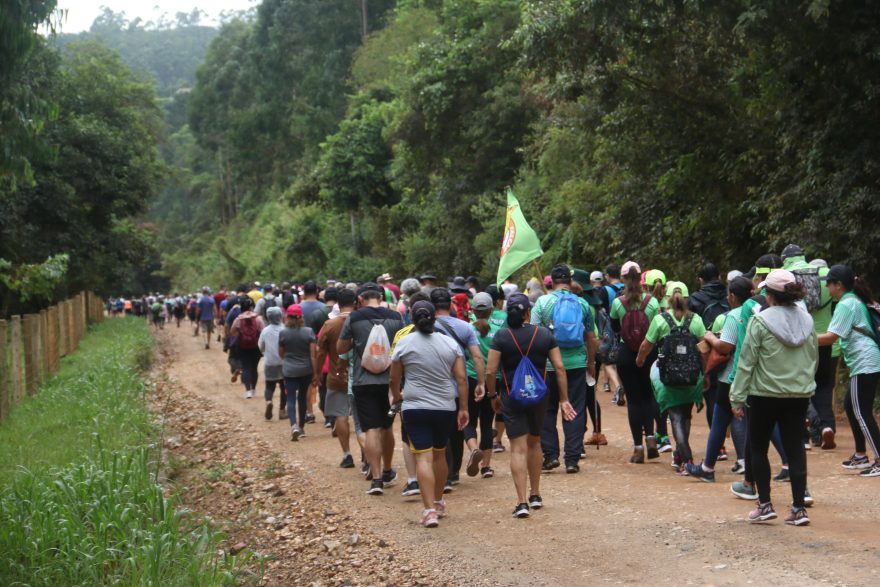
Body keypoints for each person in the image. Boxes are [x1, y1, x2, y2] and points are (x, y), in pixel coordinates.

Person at [729, 269, 817, 526]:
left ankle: (765, 504)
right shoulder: (807, 321)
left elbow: (747, 362)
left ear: (769, 295)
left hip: (764, 394)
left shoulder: (761, 321)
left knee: (758, 446)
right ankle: (799, 508)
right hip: (798, 394)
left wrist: (737, 397)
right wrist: (806, 385)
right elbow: (813, 357)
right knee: (795, 448)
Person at [486, 293, 573, 518]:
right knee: (535, 443)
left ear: (508, 313)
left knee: (518, 447)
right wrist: (564, 399)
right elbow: (559, 367)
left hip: (511, 396)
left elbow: (490, 370)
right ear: (528, 313)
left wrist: (493, 395)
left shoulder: (501, 337)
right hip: (539, 396)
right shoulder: (544, 334)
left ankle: (521, 502)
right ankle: (536, 495)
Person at [390, 301, 469, 527]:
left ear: (412, 319)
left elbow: (394, 378)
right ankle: (438, 501)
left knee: (423, 457)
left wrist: (396, 396)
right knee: (439, 454)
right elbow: (461, 379)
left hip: (414, 406)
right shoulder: (449, 343)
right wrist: (463, 408)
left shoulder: (404, 343)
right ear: (435, 318)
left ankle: (429, 512)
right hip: (445, 406)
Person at [337, 282, 404, 495]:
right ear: (381, 297)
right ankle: (387, 469)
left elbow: (341, 348)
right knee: (387, 428)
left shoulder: (354, 318)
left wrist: (358, 343)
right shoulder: (395, 317)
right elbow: (402, 346)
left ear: (360, 299)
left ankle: (376, 480)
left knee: (371, 429)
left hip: (363, 381)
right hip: (390, 381)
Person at [531, 264, 597, 474]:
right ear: (570, 280)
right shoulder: (583, 304)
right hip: (576, 364)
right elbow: (591, 337)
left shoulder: (542, 302)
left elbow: (534, 334)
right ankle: (572, 459)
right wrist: (592, 363)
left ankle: (550, 455)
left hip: (549, 365)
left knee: (547, 410)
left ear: (552, 280)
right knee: (574, 409)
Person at [686, 276, 754, 481]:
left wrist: (709, 337)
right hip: (754, 375)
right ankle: (785, 463)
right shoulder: (758, 313)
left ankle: (707, 468)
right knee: (763, 421)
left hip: (731, 376)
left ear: (732, 296)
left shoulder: (734, 316)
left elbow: (726, 346)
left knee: (719, 420)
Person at [636, 281, 706, 474]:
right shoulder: (696, 320)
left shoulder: (660, 320)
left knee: (675, 416)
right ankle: (679, 455)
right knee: (686, 415)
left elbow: (645, 346)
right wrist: (705, 372)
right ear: (687, 299)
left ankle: (687, 459)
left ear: (667, 299)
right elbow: (704, 349)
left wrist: (640, 360)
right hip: (692, 376)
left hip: (667, 376)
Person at [818, 264, 880, 477]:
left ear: (839, 285)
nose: (827, 287)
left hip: (865, 362)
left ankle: (879, 459)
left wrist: (802, 337)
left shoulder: (846, 304)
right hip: (866, 362)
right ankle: (861, 454)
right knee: (851, 406)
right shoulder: (852, 300)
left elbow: (830, 337)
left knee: (861, 412)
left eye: (829, 283)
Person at [781, 244, 839, 449]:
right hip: (826, 340)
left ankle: (803, 432)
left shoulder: (785, 276)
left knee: (799, 386)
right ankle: (826, 427)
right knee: (823, 385)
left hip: (798, 341)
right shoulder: (825, 273)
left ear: (785, 258)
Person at [430, 287, 485, 490]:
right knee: (459, 426)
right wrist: (480, 382)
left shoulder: (426, 327)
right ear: (450, 305)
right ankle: (453, 473)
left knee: (440, 428)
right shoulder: (464, 327)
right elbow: (477, 357)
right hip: (462, 382)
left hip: (435, 385)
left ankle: (442, 472)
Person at [610, 261, 661, 463]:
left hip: (626, 355)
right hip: (649, 352)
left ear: (623, 279)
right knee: (649, 396)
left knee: (634, 400)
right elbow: (657, 327)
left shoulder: (618, 303)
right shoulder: (653, 302)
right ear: (641, 278)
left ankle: (638, 448)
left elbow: (615, 329)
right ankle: (651, 438)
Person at [316, 288, 357, 468]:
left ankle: (347, 454)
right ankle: (367, 458)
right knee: (362, 418)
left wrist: (317, 375)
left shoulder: (329, 325)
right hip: (361, 376)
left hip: (337, 376)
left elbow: (320, 352)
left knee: (341, 416)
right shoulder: (362, 323)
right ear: (356, 302)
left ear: (337, 305)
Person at [465, 292, 501, 478]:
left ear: (472, 310)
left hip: (471, 378)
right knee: (487, 423)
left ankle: (473, 449)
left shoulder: (466, 329)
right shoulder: (499, 329)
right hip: (492, 380)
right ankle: (486, 467)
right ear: (491, 309)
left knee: (469, 420)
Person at [278, 304, 319, 440]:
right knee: (302, 398)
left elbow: (281, 353)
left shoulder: (283, 333)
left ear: (287, 317)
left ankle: (293, 425)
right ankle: (301, 427)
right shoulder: (308, 332)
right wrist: (315, 373)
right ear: (301, 316)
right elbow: (313, 355)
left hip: (289, 369)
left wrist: (289, 360)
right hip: (306, 369)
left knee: (290, 398)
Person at [229, 297, 264, 399]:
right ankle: (253, 390)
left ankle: (248, 391)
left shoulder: (238, 319)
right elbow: (263, 331)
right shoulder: (258, 318)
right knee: (254, 368)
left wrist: (241, 334)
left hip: (243, 346)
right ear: (252, 306)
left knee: (246, 367)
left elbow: (232, 332)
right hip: (256, 346)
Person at [258, 306, 286, 420]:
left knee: (269, 386)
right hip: (284, 362)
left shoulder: (265, 331)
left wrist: (266, 353)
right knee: (284, 387)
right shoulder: (285, 329)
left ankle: (269, 401)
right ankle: (282, 411)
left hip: (270, 362)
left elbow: (260, 347)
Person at [688, 263, 730, 329]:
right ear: (719, 277)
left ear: (701, 280)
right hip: (729, 337)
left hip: (704, 337)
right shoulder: (730, 296)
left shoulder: (694, 299)